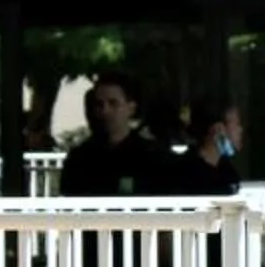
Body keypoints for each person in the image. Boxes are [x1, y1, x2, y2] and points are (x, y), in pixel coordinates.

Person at [59, 72, 233, 198]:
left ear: (131, 107)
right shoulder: (80, 158)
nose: (105, 111)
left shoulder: (152, 156)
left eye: (113, 103)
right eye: (99, 104)